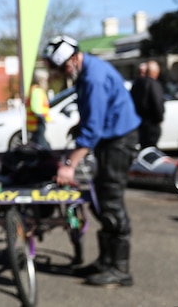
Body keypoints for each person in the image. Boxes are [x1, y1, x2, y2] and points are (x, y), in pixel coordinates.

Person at [44, 35, 140, 288]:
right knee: (102, 201)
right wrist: (81, 125)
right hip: (111, 141)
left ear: (75, 57)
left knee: (110, 203)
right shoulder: (88, 72)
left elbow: (94, 130)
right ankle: (106, 261)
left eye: (64, 66)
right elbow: (93, 117)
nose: (63, 72)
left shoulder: (94, 77)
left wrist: (70, 166)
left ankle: (120, 269)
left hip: (118, 143)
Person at [129, 60, 165, 148]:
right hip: (151, 122)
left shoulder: (136, 84)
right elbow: (157, 103)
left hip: (140, 122)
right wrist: (159, 118)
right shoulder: (153, 84)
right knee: (151, 148)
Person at [25, 69, 51, 148]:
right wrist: (42, 118)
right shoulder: (37, 91)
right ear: (40, 80)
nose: (46, 82)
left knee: (37, 144)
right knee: (42, 145)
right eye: (45, 80)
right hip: (38, 123)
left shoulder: (35, 90)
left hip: (35, 123)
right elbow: (36, 108)